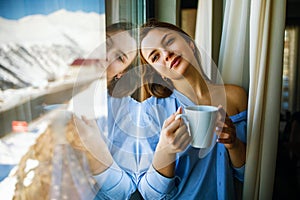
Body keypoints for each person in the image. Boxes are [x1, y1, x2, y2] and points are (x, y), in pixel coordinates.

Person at [135, 20, 248, 199]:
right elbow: (150, 195)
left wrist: (233, 145)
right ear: (159, 73)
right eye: (155, 57)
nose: (166, 54)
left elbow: (249, 176)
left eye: (169, 41)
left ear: (190, 43)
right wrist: (166, 150)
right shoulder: (150, 112)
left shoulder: (236, 97)